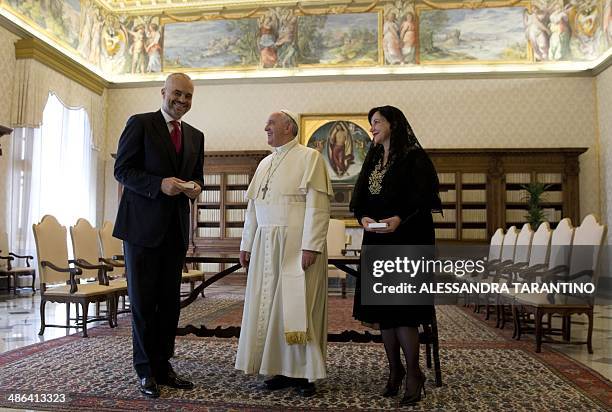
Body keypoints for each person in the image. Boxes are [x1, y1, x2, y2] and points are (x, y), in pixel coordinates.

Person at [113, 73, 204, 398]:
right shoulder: (140, 123)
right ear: (163, 92)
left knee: (169, 304)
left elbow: (197, 177)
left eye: (188, 97)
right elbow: (122, 170)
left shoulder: (195, 135)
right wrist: (158, 185)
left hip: (176, 231)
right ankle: (144, 371)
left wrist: (195, 189)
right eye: (177, 94)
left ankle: (164, 366)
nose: (182, 101)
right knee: (143, 302)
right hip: (140, 229)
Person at [235, 110, 333, 397]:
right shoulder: (265, 162)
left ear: (288, 128)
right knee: (269, 308)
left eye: (271, 124)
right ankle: (278, 368)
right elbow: (253, 209)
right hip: (265, 243)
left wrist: (311, 245)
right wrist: (246, 243)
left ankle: (303, 374)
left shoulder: (309, 157)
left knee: (297, 308)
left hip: (295, 244)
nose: (265, 127)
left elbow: (318, 205)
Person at [350, 106, 441, 406]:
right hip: (376, 241)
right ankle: (395, 370)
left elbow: (423, 198)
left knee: (403, 312)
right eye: (371, 123)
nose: (372, 127)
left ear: (394, 124)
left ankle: (415, 373)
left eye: (377, 122)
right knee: (384, 314)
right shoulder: (374, 158)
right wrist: (363, 217)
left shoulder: (415, 158)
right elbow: (360, 197)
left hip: (407, 241)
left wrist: (399, 218)